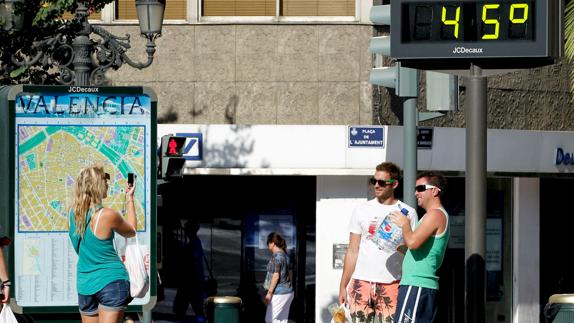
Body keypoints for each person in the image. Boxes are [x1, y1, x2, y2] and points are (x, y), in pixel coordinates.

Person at [338, 162, 418, 323]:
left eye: (382, 182)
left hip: (392, 283)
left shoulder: (408, 212)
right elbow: (353, 250)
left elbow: (413, 250)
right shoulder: (361, 210)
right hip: (361, 282)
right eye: (373, 181)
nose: (376, 185)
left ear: (394, 184)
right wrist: (343, 285)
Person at [68, 164, 137, 323]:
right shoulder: (107, 215)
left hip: (85, 283)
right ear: (96, 186)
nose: (107, 185)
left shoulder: (72, 214)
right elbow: (132, 230)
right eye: (105, 182)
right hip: (111, 281)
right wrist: (130, 199)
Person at [389, 171, 449, 323]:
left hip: (417, 284)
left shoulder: (435, 214)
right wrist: (405, 248)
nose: (416, 193)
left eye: (421, 188)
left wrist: (404, 224)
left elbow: (413, 243)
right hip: (418, 285)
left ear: (435, 190)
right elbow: (416, 245)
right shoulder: (433, 215)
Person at [173, 220, 206, 323]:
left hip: (191, 281)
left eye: (187, 229)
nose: (185, 231)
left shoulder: (194, 243)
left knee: (191, 305)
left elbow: (195, 263)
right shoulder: (193, 242)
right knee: (192, 305)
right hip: (191, 280)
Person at [263, 232, 294, 323]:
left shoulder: (277, 257)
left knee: (270, 319)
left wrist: (269, 292)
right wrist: (288, 284)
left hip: (280, 292)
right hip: (288, 292)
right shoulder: (285, 255)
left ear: (272, 243)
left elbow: (276, 275)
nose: (268, 245)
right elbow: (290, 273)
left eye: (268, 243)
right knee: (282, 320)